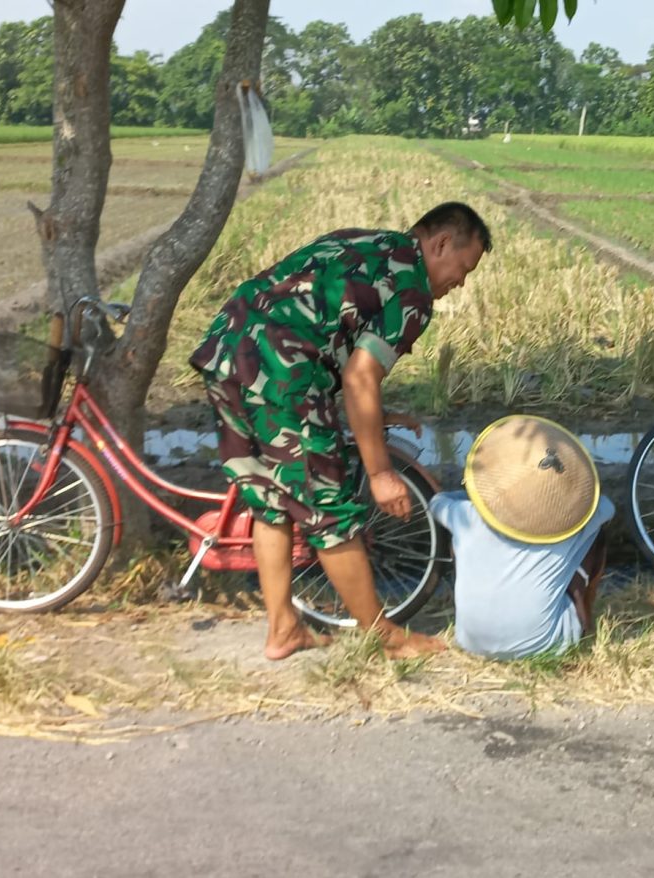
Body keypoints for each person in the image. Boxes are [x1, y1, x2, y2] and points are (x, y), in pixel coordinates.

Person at [190, 202, 492, 660]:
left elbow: (333, 342)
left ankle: (283, 628)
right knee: (329, 508)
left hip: (229, 348)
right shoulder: (412, 292)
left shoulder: (362, 241)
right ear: (442, 243)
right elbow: (359, 378)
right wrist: (381, 473)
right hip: (282, 371)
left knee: (272, 500)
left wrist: (372, 414)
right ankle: (386, 637)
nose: (461, 282)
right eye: (463, 267)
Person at [428, 415, 615, 660]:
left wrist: (471, 496)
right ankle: (583, 617)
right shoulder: (571, 526)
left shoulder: (466, 515)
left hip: (470, 641)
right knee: (596, 535)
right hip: (549, 645)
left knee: (458, 537)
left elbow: (437, 502)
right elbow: (606, 507)